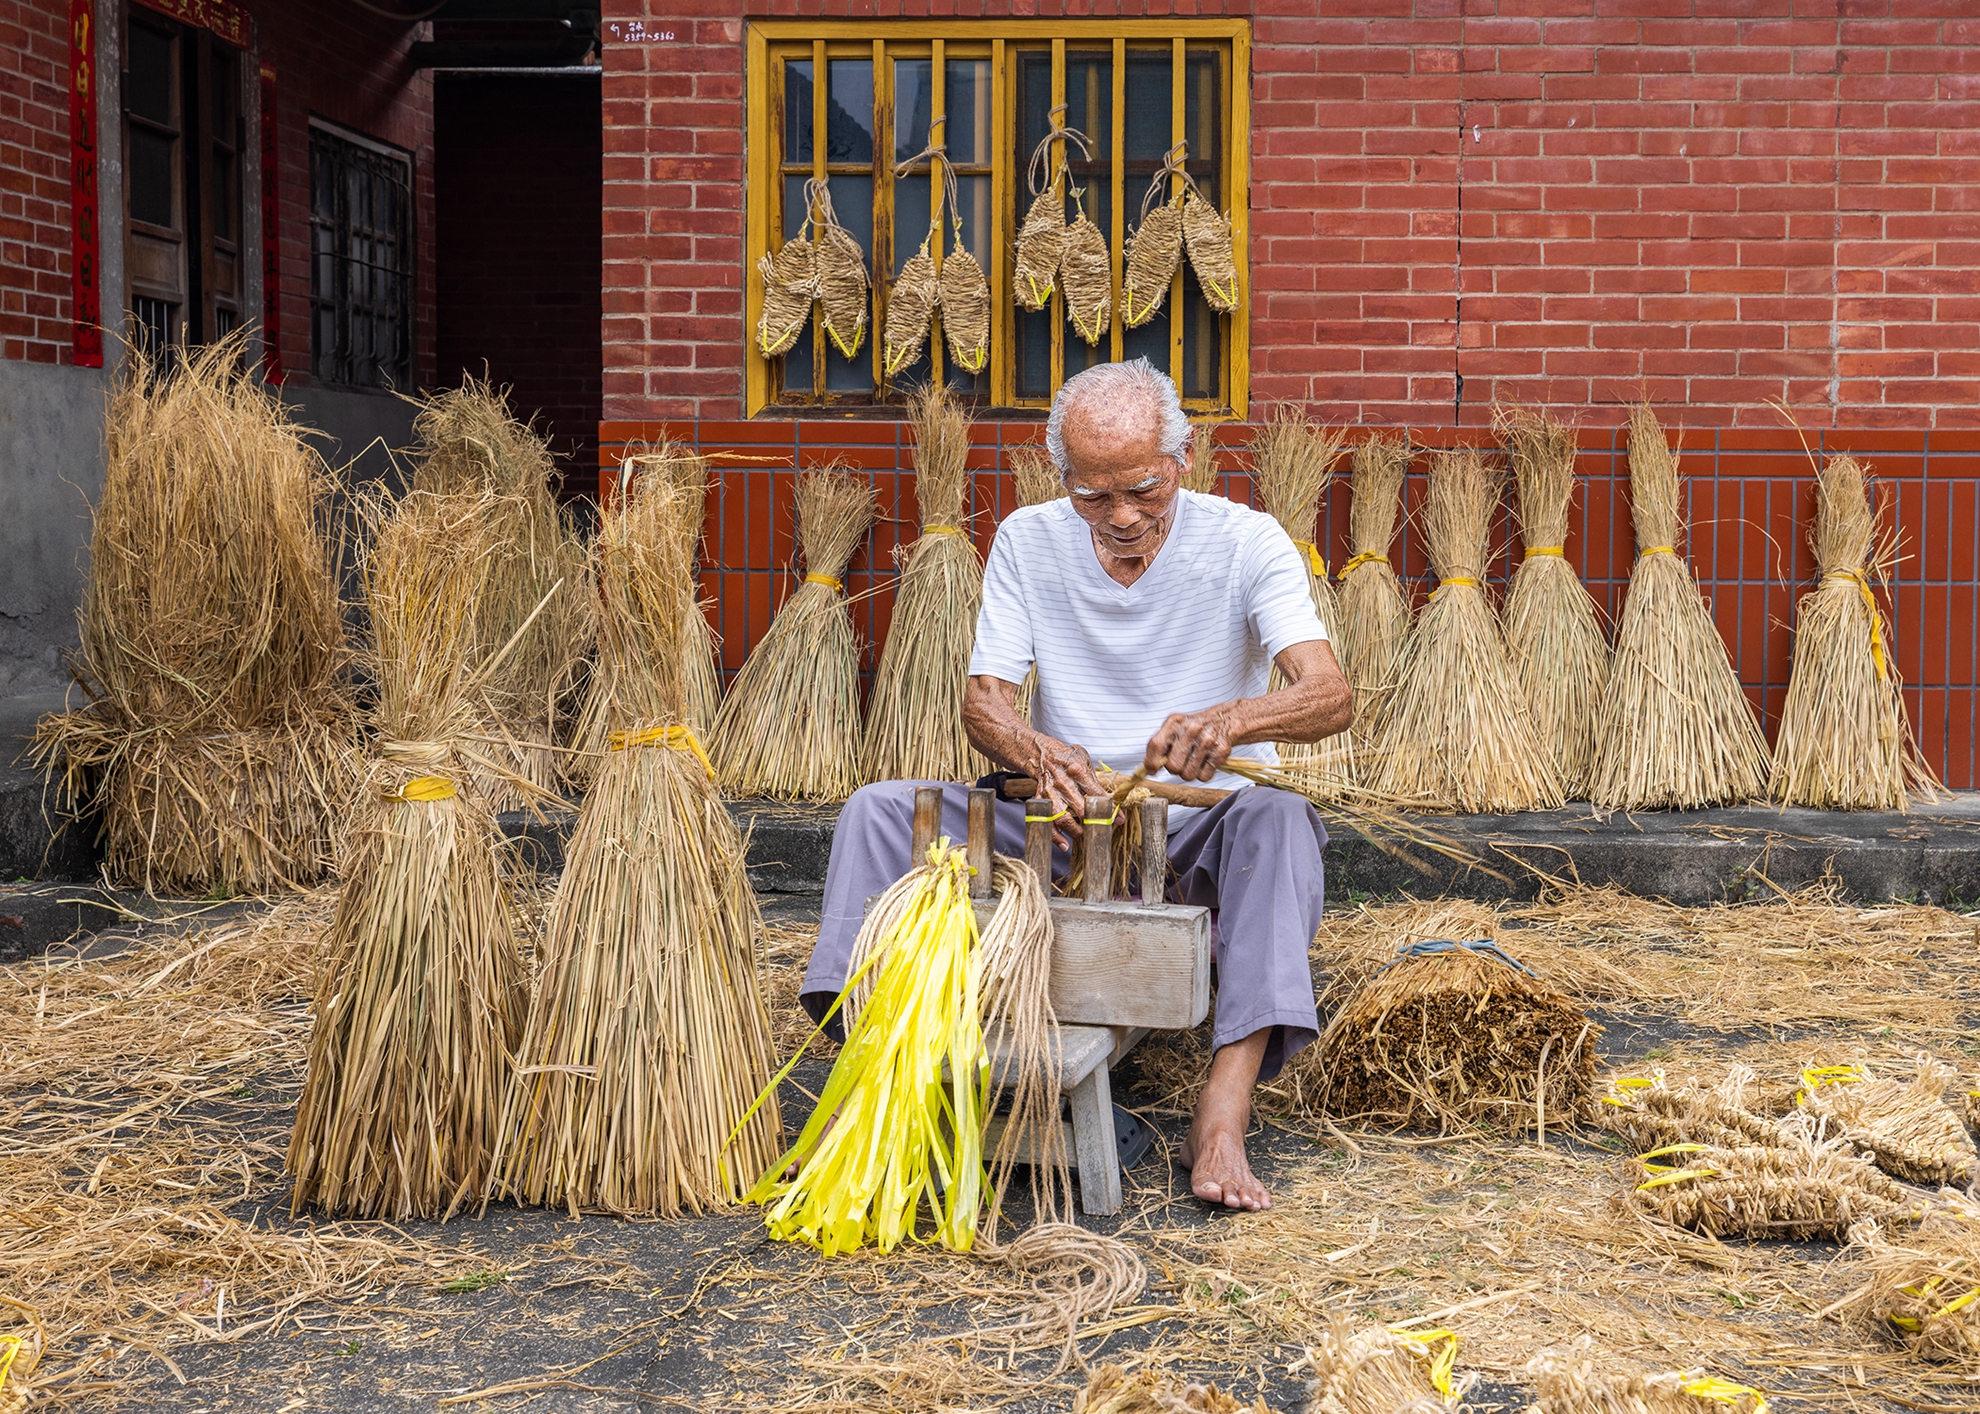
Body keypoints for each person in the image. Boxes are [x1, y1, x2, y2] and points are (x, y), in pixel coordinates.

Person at [801, 358, 1351, 1211]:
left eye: (1142, 491)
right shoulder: (1030, 537)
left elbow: (1329, 694)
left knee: (1280, 822)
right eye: (1094, 497)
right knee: (876, 813)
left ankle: (1223, 1113)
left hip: (1198, 822)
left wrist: (1231, 723)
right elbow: (985, 702)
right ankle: (870, 1082)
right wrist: (1034, 751)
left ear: (1185, 460)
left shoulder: (1247, 542)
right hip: (1062, 818)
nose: (1122, 517)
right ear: (1064, 478)